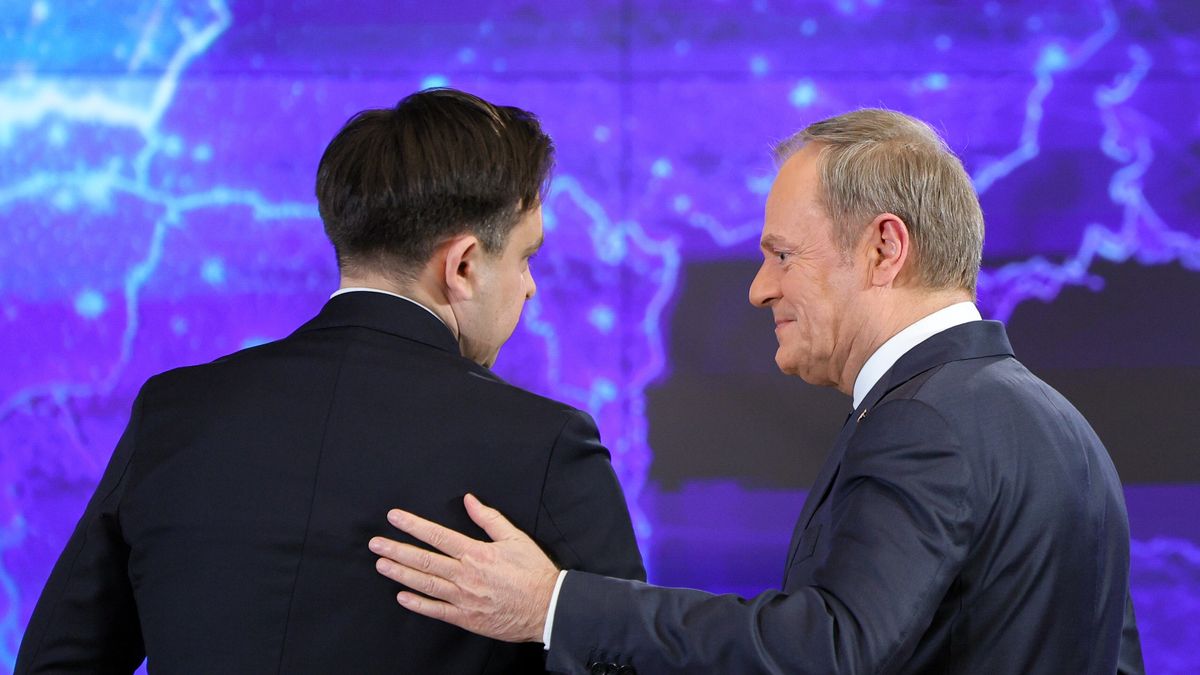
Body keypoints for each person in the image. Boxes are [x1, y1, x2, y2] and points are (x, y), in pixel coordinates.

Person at [367, 108, 1145, 674]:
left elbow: (834, 646)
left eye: (782, 254)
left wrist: (555, 605)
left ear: (884, 248)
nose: (758, 288)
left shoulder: (926, 421)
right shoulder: (1061, 427)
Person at [16, 88, 644, 673]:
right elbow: (636, 659)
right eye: (526, 257)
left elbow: (57, 660)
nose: (530, 286)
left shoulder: (173, 412)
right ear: (463, 265)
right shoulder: (547, 444)